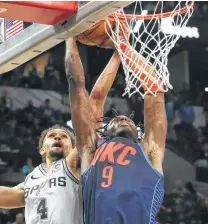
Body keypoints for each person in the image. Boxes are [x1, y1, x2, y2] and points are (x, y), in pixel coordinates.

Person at [0, 40, 121, 223]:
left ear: (73, 147)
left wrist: (117, 53)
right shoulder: (32, 180)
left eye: (64, 136)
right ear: (42, 149)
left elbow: (95, 99)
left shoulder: (73, 165)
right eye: (51, 136)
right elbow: (4, 196)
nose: (57, 136)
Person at [67, 25, 167, 223]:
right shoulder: (91, 149)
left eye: (128, 120)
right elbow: (78, 85)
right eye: (116, 119)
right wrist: (68, 36)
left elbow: (155, 91)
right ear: (104, 131)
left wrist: (124, 48)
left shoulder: (149, 150)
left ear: (138, 134)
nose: (123, 118)